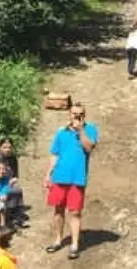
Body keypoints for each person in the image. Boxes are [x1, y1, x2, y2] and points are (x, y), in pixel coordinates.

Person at [43, 103, 99, 260]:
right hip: (59, 177)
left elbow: (89, 148)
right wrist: (48, 174)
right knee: (58, 210)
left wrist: (80, 129)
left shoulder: (90, 129)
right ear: (69, 114)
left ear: (84, 115)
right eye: (73, 113)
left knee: (75, 212)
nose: (76, 116)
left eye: (79, 114)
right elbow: (55, 154)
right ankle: (58, 240)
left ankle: (74, 245)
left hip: (77, 178)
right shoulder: (61, 132)